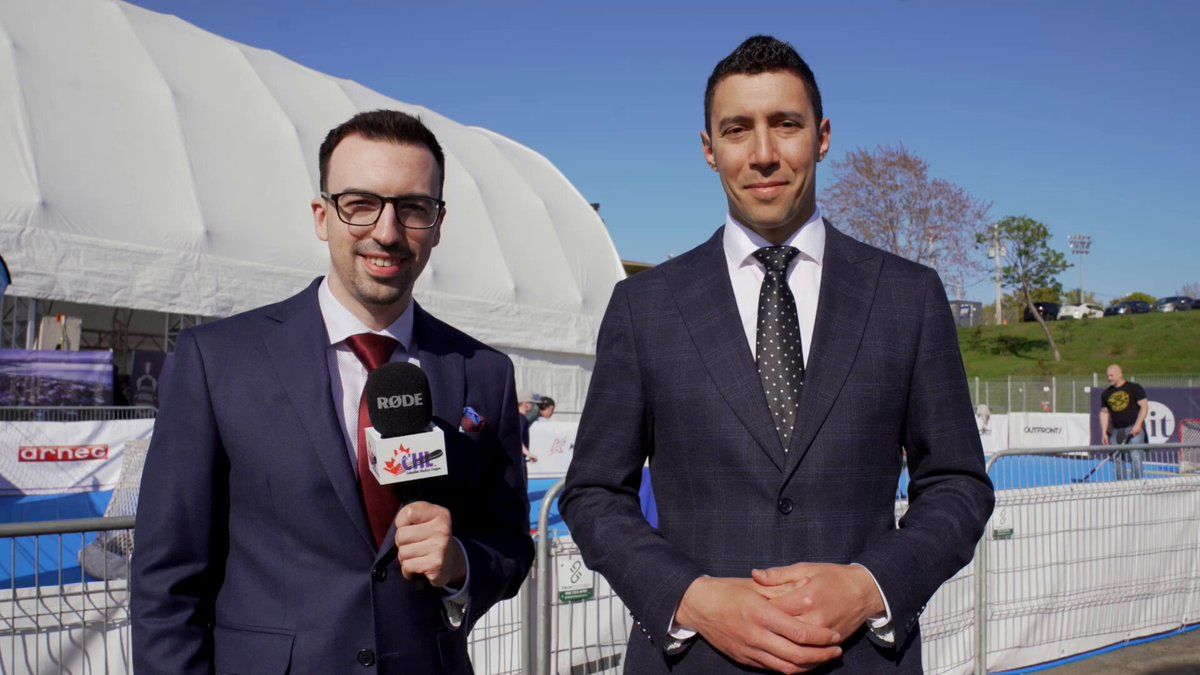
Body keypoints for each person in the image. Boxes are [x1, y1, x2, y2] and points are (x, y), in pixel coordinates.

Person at [560, 36, 994, 674]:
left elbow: (957, 484)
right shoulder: (644, 306)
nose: (763, 154)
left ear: (821, 136)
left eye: (784, 125)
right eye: (738, 129)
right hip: (694, 661)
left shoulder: (908, 296)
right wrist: (695, 599)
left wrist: (870, 584)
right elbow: (594, 493)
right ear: (709, 149)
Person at [131, 110, 533, 674]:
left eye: (413, 208)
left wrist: (461, 563)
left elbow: (512, 544)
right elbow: (166, 582)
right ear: (322, 216)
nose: (387, 232)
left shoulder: (484, 372)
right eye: (360, 204)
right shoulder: (218, 360)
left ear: (438, 225)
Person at [1099, 363, 1149, 480]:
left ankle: (1138, 484)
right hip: (1116, 430)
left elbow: (1144, 407)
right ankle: (1122, 485)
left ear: (1120, 374)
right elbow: (1104, 413)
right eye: (1108, 376)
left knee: (1135, 455)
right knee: (1117, 458)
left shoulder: (1134, 388)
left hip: (1134, 428)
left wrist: (1138, 425)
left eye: (1111, 375)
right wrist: (1104, 432)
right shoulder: (1106, 393)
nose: (1109, 378)